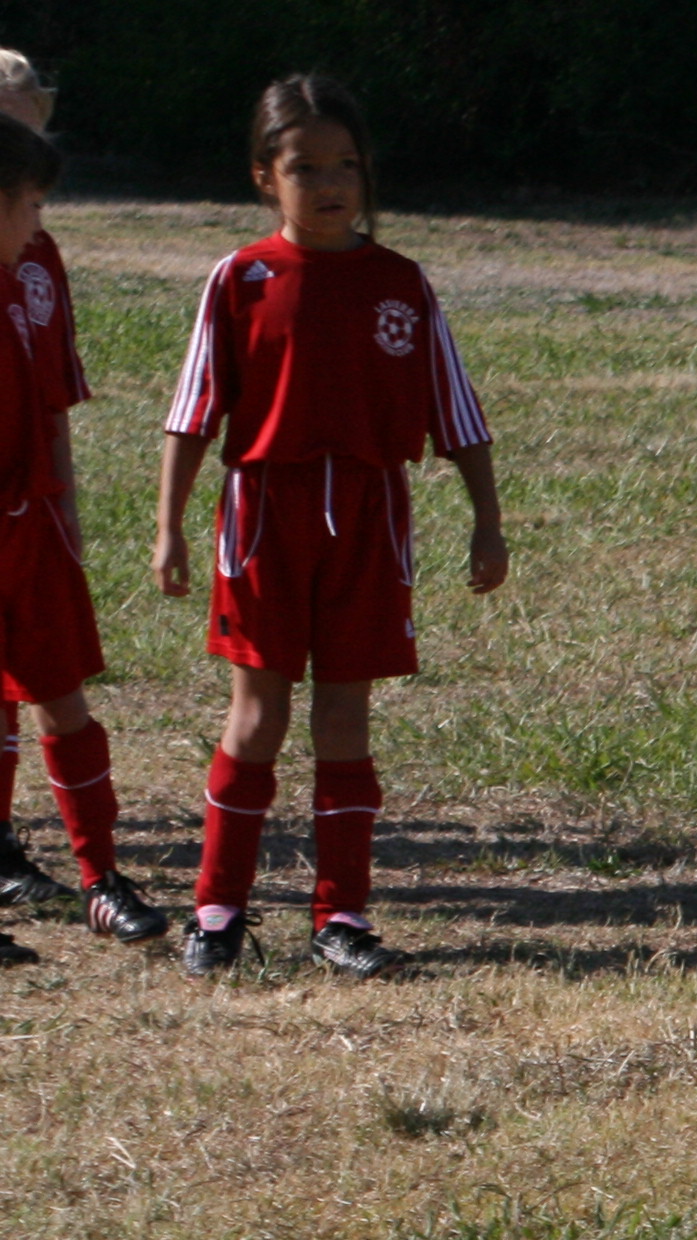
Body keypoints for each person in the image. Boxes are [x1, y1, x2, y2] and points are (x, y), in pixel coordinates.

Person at [154, 73, 504, 981]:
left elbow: (456, 411)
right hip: (263, 516)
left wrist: (487, 521)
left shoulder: (400, 283)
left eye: (345, 164)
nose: (329, 183)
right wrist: (170, 528)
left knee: (346, 716)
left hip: (369, 515)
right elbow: (193, 413)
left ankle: (342, 916)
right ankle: (218, 910)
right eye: (304, 167)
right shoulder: (241, 278)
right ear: (265, 178)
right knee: (258, 714)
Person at [0, 56, 166, 951]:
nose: (41, 223)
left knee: (63, 696)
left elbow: (51, 399)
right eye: (30, 204)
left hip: (33, 529)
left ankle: (101, 875)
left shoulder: (29, 271)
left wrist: (60, 508)